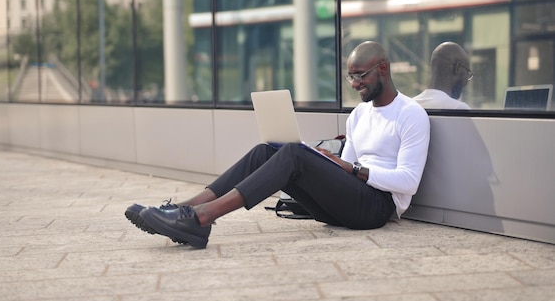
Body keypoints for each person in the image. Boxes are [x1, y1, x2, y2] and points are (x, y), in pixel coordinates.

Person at [125, 41, 431, 248]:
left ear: (383, 69)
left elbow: (409, 181)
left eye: (360, 76)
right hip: (341, 208)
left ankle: (200, 219)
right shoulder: (359, 114)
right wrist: (329, 163)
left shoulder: (410, 114)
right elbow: (346, 170)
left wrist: (350, 168)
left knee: (295, 155)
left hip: (376, 209)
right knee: (268, 149)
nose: (354, 85)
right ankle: (182, 209)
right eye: (349, 77)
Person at [413, 41, 472, 109]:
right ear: (457, 68)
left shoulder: (410, 106)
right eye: (467, 73)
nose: (466, 82)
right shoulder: (458, 108)